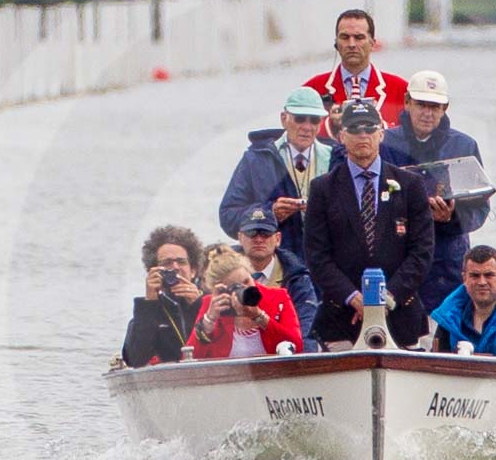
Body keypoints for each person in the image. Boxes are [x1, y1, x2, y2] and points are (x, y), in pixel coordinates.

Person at [304, 99, 435, 350]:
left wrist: (387, 298)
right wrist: (354, 298)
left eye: (369, 128)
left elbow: (422, 251)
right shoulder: (322, 189)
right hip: (342, 317)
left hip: (401, 315)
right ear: (342, 136)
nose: (362, 135)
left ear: (381, 133)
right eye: (354, 129)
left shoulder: (410, 185)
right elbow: (317, 255)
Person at [380, 70, 490, 313]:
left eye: (435, 106)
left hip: (447, 261)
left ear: (445, 108)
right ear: (407, 102)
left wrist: (450, 218)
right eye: (421, 104)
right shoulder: (384, 143)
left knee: (445, 334)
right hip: (397, 259)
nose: (427, 113)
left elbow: (480, 208)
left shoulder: (464, 146)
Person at [218, 87, 335, 259]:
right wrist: (270, 212)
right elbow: (228, 217)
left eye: (315, 120)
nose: (307, 127)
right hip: (277, 263)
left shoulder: (336, 157)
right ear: (284, 119)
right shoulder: (257, 159)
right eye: (300, 119)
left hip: (325, 262)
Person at [305, 9, 408, 137]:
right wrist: (330, 125)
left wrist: (381, 126)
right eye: (345, 37)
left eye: (359, 37)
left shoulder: (401, 89)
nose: (351, 44)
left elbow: (412, 140)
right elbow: (296, 138)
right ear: (336, 43)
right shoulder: (312, 90)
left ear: (373, 44)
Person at [184, 251, 302, 360]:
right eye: (235, 287)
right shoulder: (213, 304)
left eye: (247, 281)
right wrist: (208, 320)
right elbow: (191, 357)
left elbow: (297, 347)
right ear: (221, 290)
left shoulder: (278, 297)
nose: (245, 289)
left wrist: (259, 317)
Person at [233, 208, 321, 351]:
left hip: (281, 359)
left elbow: (307, 329)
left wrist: (304, 367)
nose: (259, 239)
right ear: (240, 238)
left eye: (265, 233)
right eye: (251, 233)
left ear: (278, 239)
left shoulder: (297, 278)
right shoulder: (224, 274)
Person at [120, 225, 205, 366]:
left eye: (181, 262)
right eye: (167, 263)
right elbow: (135, 360)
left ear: (193, 270)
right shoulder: (149, 311)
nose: (175, 267)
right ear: (152, 271)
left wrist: (198, 305)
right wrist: (149, 302)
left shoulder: (210, 302)